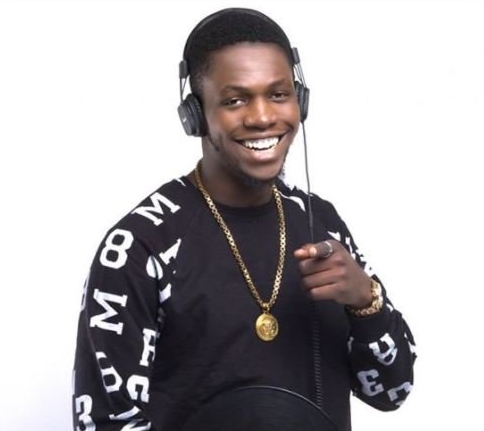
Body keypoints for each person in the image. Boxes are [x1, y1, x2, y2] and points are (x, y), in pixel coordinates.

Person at [72, 7, 416, 431]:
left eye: (279, 94)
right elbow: (106, 423)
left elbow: (392, 392)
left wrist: (365, 301)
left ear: (301, 101)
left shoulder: (321, 223)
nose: (262, 117)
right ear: (194, 114)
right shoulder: (139, 246)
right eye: (235, 100)